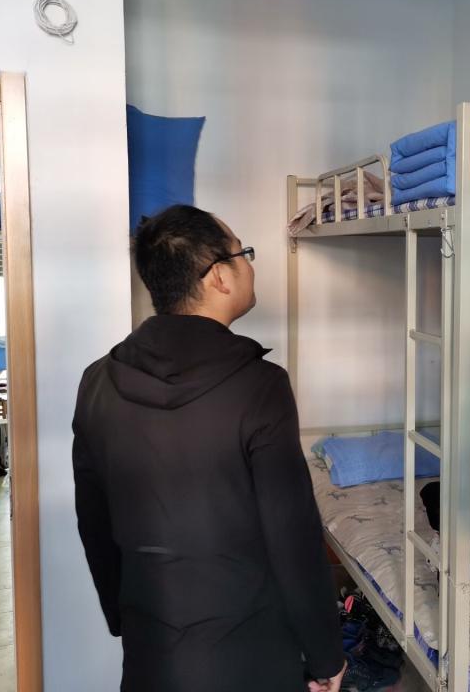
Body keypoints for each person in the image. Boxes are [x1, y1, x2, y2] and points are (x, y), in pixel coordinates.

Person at [72, 205, 346, 692]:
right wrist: (326, 654)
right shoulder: (259, 385)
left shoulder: (97, 382)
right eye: (244, 254)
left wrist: (122, 617)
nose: (250, 266)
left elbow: (93, 522)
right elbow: (292, 534)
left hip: (150, 647)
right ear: (219, 275)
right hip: (251, 652)